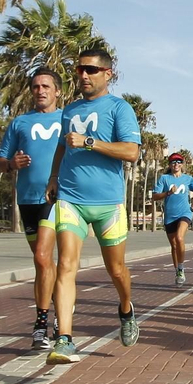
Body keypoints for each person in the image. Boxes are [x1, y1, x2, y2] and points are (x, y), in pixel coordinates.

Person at [42, 47, 143, 364]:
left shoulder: (119, 108)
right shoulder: (69, 110)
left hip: (108, 205)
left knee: (116, 270)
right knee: (66, 266)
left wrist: (90, 142)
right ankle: (65, 339)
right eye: (79, 70)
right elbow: (61, 146)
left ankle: (126, 308)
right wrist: (54, 176)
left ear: (107, 74)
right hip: (71, 199)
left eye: (91, 70)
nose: (83, 75)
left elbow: (131, 152)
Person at [0, 66, 63, 352]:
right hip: (28, 199)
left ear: (57, 91)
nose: (40, 91)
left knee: (43, 256)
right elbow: (0, 161)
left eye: (46, 86)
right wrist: (12, 164)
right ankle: (53, 318)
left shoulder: (69, 118)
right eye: (36, 86)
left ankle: (42, 323)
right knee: (43, 263)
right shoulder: (19, 123)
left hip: (60, 199)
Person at [151, 153, 193, 286]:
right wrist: (168, 193)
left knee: (179, 238)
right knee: (174, 246)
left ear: (182, 164)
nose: (176, 164)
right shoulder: (164, 179)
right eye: (173, 162)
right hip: (170, 216)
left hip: (185, 213)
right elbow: (154, 196)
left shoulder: (188, 179)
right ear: (169, 165)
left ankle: (182, 268)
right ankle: (177, 270)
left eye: (178, 162)